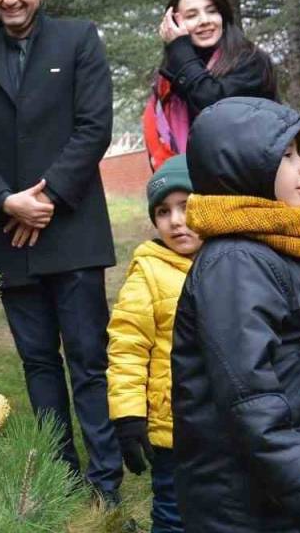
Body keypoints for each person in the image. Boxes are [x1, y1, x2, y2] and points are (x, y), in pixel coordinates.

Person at [0, 0, 123, 504]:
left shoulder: (78, 41)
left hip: (72, 233)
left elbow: (94, 126)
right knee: (37, 365)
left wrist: (43, 200)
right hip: (10, 240)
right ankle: (62, 479)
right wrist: (7, 203)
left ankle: (106, 482)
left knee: (88, 359)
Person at [172, 96, 300, 531]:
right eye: (287, 155)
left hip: (277, 488)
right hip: (244, 503)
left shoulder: (278, 247)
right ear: (244, 168)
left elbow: (293, 351)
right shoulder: (236, 262)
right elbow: (252, 407)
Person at [105, 155, 198, 533]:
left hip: (229, 428)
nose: (175, 221)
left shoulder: (233, 261)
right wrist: (128, 417)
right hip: (171, 427)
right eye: (163, 212)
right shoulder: (148, 271)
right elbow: (127, 346)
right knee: (173, 515)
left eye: (186, 207)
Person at [143, 0, 278, 169]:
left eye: (212, 11)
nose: (205, 20)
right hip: (188, 188)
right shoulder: (168, 79)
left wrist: (180, 51)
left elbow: (212, 104)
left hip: (247, 179)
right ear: (173, 24)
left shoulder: (251, 61)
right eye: (191, 15)